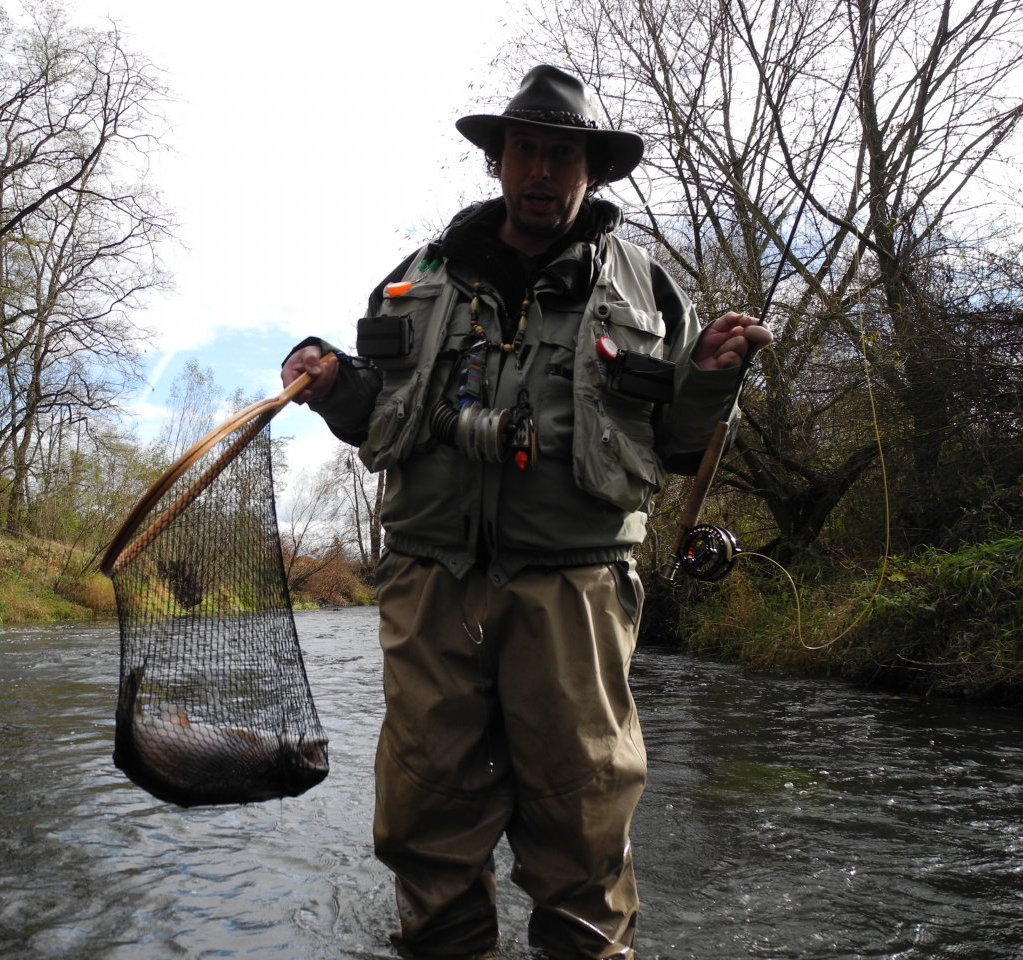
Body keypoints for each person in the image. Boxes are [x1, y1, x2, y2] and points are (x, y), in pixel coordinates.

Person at [281, 65, 772, 960]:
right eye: (526, 151)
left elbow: (675, 446)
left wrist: (709, 379)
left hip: (576, 588)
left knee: (583, 818)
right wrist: (327, 380)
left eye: (562, 155)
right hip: (431, 583)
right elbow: (374, 418)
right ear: (497, 162)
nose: (542, 170)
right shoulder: (414, 278)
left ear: (591, 171)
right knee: (428, 815)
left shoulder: (650, 292)